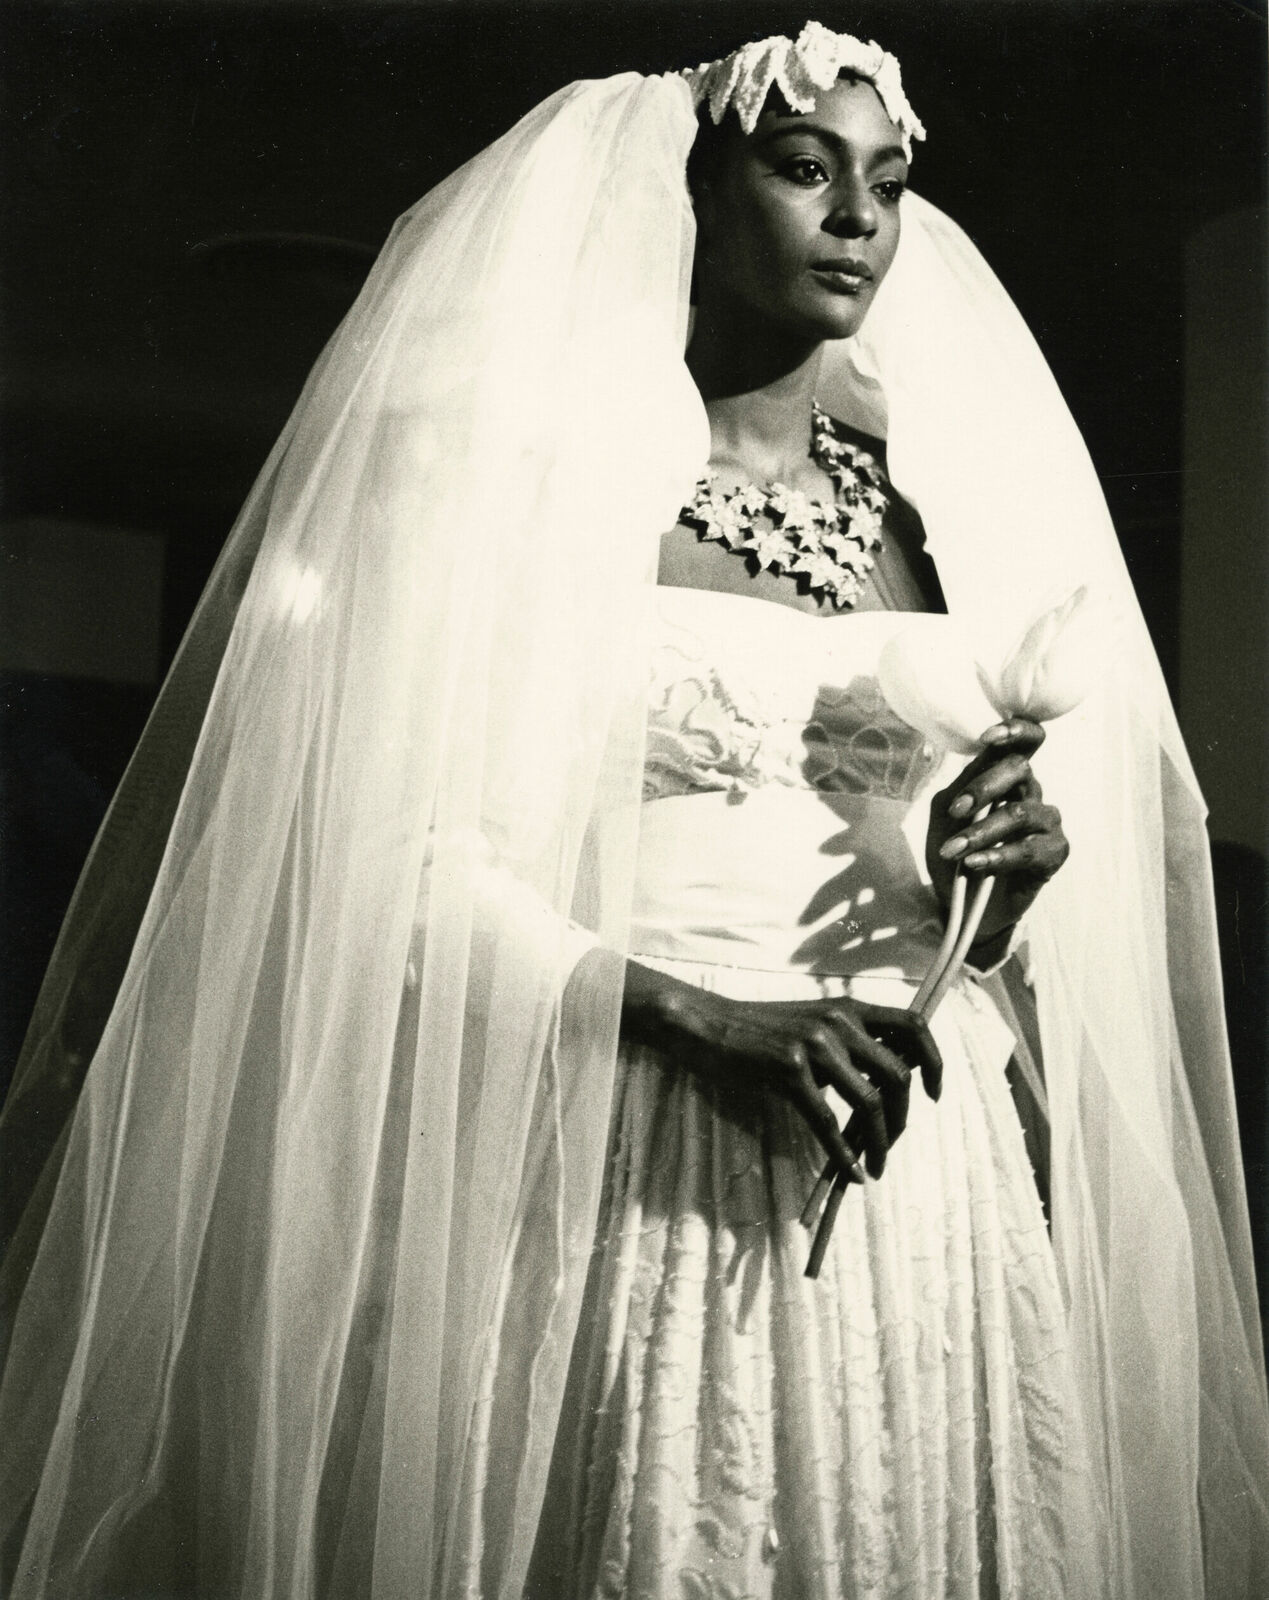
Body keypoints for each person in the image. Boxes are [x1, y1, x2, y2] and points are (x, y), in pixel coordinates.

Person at [0, 22, 1264, 1600]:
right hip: (649, 1139)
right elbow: (393, 872)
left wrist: (998, 881)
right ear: (691, 200)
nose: (861, 220)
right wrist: (700, 1018)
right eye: (805, 172)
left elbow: (962, 880)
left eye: (886, 181)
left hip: (916, 1173)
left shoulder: (929, 517)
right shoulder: (542, 492)